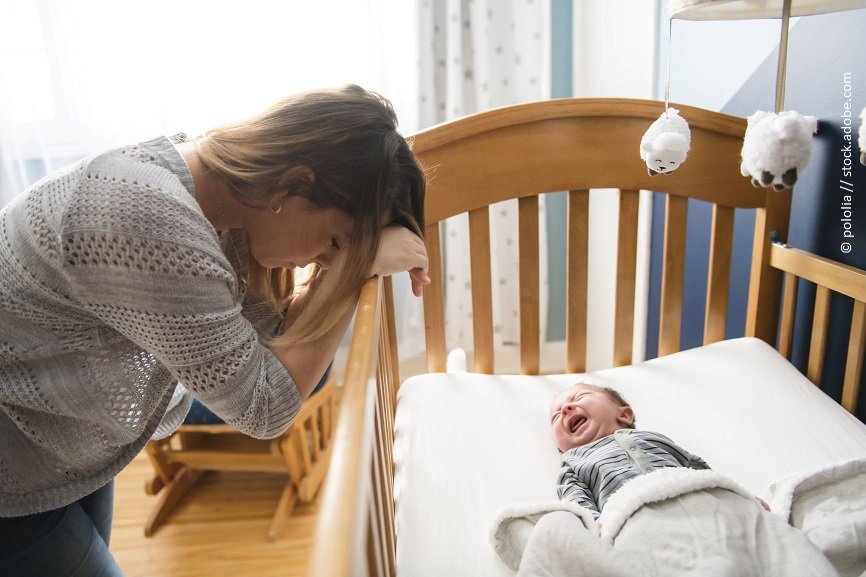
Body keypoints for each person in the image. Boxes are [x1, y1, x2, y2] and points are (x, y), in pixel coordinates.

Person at [0, 84, 428, 576]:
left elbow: (271, 339)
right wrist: (355, 269)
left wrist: (351, 259)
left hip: (70, 433)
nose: (321, 262)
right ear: (296, 183)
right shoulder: (149, 219)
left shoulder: (217, 204)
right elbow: (264, 408)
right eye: (332, 241)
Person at [543, 383, 838, 576]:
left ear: (625, 414)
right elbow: (576, 501)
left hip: (695, 496)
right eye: (557, 415)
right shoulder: (574, 461)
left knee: (759, 540)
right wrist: (595, 529)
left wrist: (739, 496)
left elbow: (697, 468)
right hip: (633, 514)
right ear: (561, 447)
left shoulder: (651, 437)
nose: (566, 408)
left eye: (579, 398)